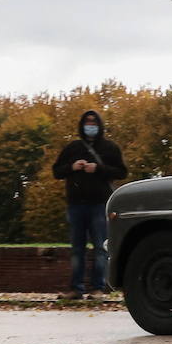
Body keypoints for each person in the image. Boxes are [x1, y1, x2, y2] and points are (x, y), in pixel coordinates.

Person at [52, 110, 128, 300]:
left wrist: (98, 168)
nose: (90, 125)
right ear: (82, 125)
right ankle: (76, 289)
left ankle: (98, 288)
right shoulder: (73, 148)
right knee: (77, 248)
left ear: (99, 125)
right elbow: (56, 171)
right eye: (87, 122)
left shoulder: (109, 148)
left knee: (100, 248)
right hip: (76, 205)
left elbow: (121, 172)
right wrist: (72, 167)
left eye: (94, 122)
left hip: (99, 204)